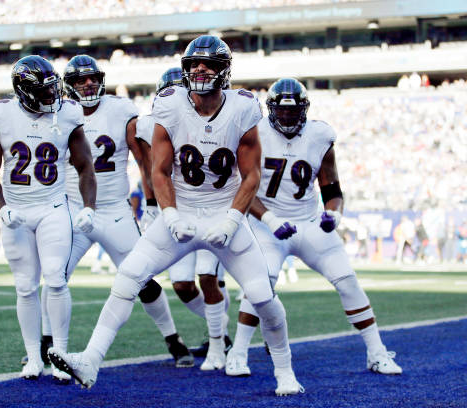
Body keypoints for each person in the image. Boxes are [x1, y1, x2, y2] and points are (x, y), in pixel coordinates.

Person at [49, 35, 302, 396]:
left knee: (262, 294)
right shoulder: (169, 102)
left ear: (223, 71)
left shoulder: (244, 106)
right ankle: (90, 359)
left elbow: (251, 175)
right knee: (129, 276)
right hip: (181, 212)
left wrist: (232, 220)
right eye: (194, 63)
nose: (200, 69)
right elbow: (160, 169)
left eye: (209, 64)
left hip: (223, 214)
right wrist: (169, 215)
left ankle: (285, 372)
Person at [225, 78, 402, 378]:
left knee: (347, 280)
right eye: (282, 112)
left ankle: (376, 352)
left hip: (308, 222)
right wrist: (269, 219)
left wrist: (335, 215)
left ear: (304, 111)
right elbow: (240, 188)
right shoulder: (255, 134)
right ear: (271, 111)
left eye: (293, 112)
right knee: (261, 281)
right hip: (267, 224)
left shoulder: (320, 135)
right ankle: (238, 353)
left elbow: (332, 190)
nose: (288, 117)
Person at [38, 54, 194, 370]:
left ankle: (173, 339)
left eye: (93, 77)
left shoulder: (121, 110)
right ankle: (46, 344)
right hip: (72, 209)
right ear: (69, 85)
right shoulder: (58, 113)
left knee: (143, 277)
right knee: (55, 277)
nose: (88, 83)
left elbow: (144, 160)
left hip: (114, 211)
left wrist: (153, 204)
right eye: (81, 80)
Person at [0, 55, 97, 382]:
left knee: (56, 278)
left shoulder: (68, 114)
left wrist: (88, 206)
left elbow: (85, 165)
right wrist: (2, 208)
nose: (53, 96)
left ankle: (59, 353)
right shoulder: (0, 115)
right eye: (44, 91)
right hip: (16, 210)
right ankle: (33, 357)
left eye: (52, 88)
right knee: (25, 287)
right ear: (25, 91)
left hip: (53, 208)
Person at [136, 67, 233, 363]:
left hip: (210, 208)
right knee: (181, 284)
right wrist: (155, 207)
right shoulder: (148, 126)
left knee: (208, 278)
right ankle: (224, 329)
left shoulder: (217, 120)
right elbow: (150, 171)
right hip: (173, 212)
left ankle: (224, 340)